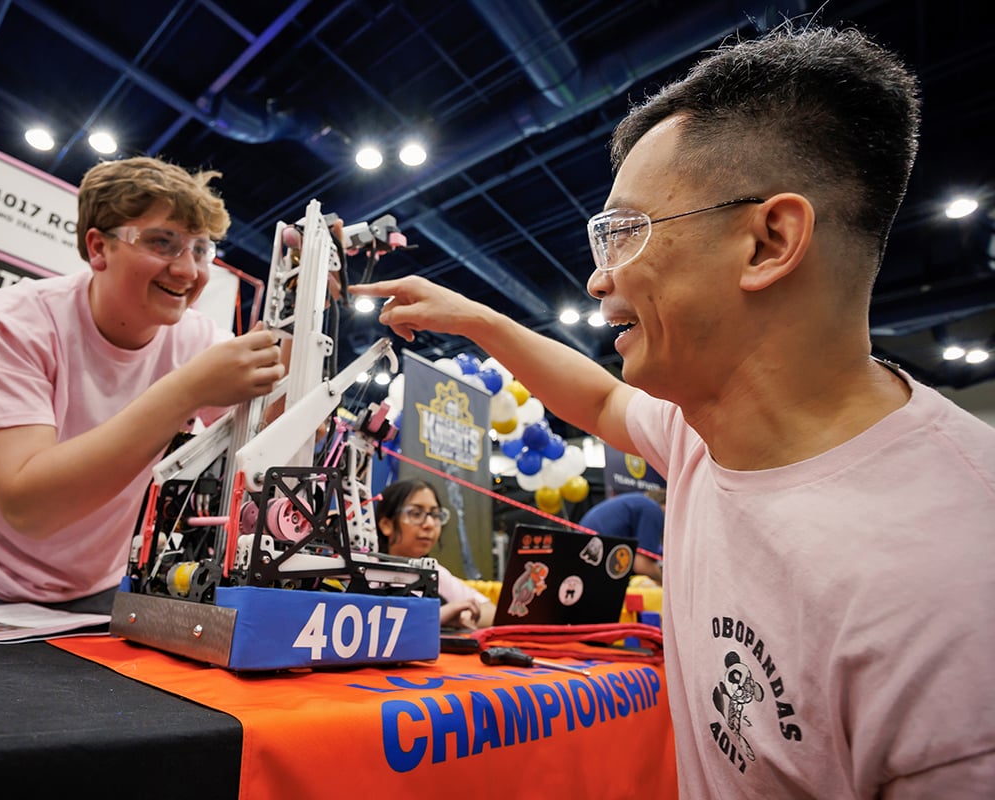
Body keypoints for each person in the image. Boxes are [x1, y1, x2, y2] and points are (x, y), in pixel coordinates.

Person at [352, 23, 995, 799]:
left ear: (768, 242)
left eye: (624, 233)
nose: (597, 281)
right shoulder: (705, 433)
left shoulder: (953, 589)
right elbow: (597, 397)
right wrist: (480, 321)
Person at [0, 156, 285, 616]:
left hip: (92, 586)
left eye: (201, 249)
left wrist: (305, 305)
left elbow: (277, 434)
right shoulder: (7, 323)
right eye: (163, 243)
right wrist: (186, 391)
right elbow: (30, 507)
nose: (188, 271)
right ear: (98, 247)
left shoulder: (199, 340)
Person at [373, 478, 494, 629]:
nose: (429, 524)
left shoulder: (434, 573)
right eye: (416, 514)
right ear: (386, 525)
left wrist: (466, 615)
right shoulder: (367, 572)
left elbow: (490, 611)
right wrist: (438, 616)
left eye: (435, 515)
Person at [578, 487, 664, 583]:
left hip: (584, 551)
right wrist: (668, 584)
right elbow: (641, 565)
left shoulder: (638, 502)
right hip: (597, 559)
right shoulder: (653, 509)